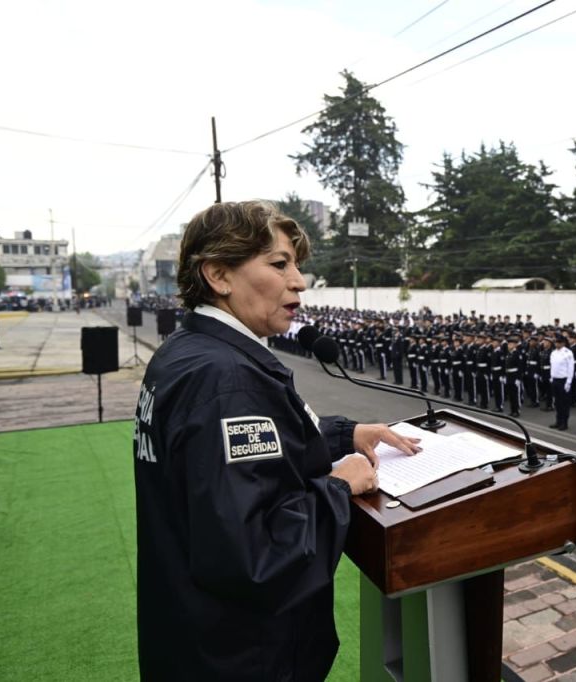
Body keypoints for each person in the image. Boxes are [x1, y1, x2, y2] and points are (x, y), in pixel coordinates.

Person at [133, 201, 421, 681]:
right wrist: (339, 486)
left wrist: (340, 435)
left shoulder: (188, 352)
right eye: (279, 263)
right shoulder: (226, 379)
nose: (300, 281)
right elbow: (258, 557)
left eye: (298, 265)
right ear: (218, 275)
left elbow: (242, 456)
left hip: (192, 637)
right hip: (243, 657)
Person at [549, 334, 574, 430]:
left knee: (564, 403)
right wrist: (552, 377)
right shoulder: (553, 353)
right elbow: (553, 366)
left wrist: (569, 382)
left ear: (563, 343)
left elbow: (571, 368)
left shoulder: (568, 353)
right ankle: (558, 421)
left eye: (559, 342)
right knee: (557, 403)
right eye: (556, 342)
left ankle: (564, 423)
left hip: (564, 380)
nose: (557, 344)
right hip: (555, 379)